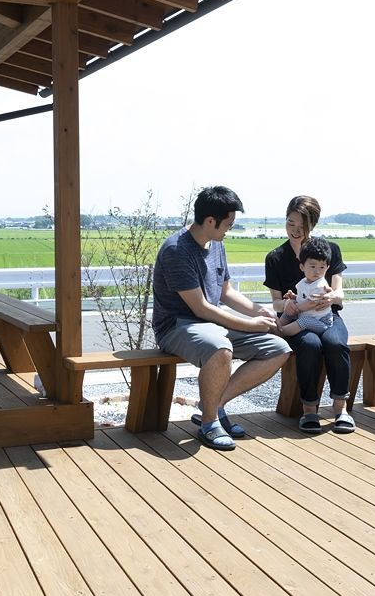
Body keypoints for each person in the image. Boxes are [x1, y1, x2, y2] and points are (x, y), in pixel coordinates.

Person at [152, 185, 291, 451]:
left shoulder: (216, 244)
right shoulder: (176, 250)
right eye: (228, 223)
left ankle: (213, 406)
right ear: (210, 221)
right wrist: (251, 324)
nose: (230, 228)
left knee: (278, 349)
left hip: (210, 324)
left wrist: (257, 311)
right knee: (220, 348)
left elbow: (225, 292)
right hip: (177, 326)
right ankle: (209, 423)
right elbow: (201, 308)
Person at [264, 195, 355, 434]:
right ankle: (309, 410)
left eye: (302, 226)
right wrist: (289, 306)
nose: (295, 230)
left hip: (328, 315)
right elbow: (276, 303)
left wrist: (332, 297)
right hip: (298, 320)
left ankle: (340, 408)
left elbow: (339, 292)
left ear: (312, 225)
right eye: (290, 223)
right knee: (311, 345)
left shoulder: (329, 250)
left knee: (335, 343)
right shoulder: (275, 258)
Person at [276, 238, 334, 337]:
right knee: (291, 304)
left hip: (321, 322)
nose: (317, 271)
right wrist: (294, 297)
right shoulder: (304, 282)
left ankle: (279, 333)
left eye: (321, 267)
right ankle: (277, 326)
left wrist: (294, 307)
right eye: (313, 266)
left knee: (302, 318)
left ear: (327, 268)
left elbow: (311, 303)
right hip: (308, 315)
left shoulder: (321, 286)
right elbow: (303, 297)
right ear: (302, 267)